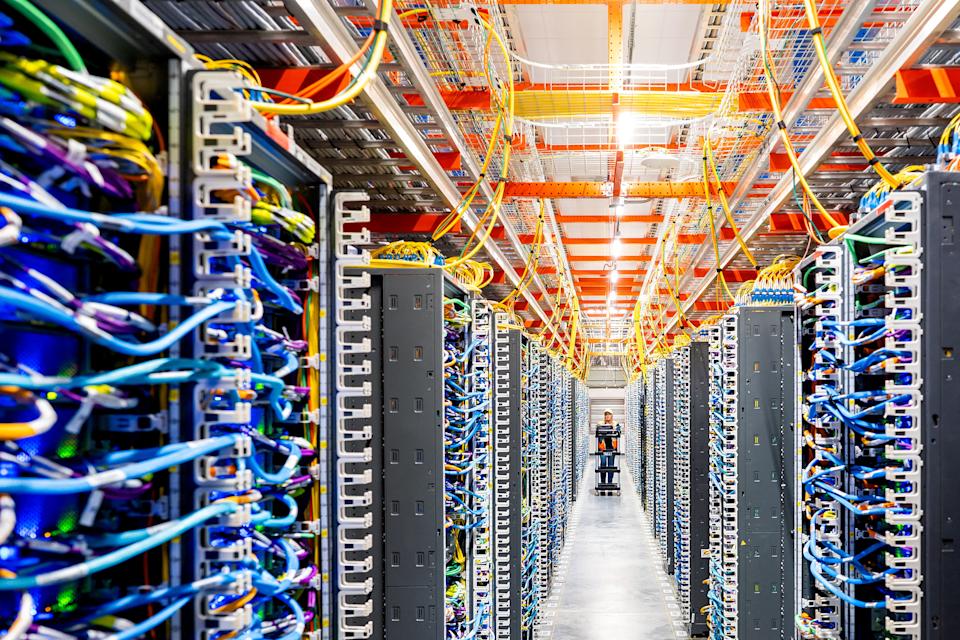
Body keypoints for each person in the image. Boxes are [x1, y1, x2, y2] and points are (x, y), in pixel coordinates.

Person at [597, 410, 622, 485]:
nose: (607, 416)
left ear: (612, 415)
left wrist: (616, 429)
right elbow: (598, 433)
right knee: (603, 464)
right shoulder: (600, 423)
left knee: (611, 465)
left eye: (609, 414)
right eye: (606, 414)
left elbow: (619, 432)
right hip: (603, 448)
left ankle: (610, 482)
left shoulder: (615, 423)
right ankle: (603, 482)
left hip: (612, 447)